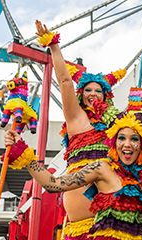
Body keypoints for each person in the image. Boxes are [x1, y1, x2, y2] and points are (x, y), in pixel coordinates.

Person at [2, 112, 142, 239]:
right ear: (114, 143)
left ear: (141, 145)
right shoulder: (102, 168)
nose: (127, 144)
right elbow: (53, 184)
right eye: (122, 138)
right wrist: (24, 153)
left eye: (134, 139)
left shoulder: (141, 180)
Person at [35, 20, 125, 239]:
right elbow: (65, 81)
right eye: (87, 90)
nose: (93, 94)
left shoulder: (117, 125)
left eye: (98, 90)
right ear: (81, 94)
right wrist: (53, 45)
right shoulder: (77, 119)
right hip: (80, 215)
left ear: (106, 96)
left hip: (115, 214)